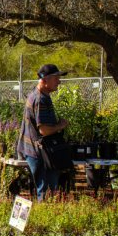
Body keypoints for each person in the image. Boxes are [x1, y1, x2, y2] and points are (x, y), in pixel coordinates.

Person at [17, 64, 70, 201]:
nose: (59, 82)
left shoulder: (39, 94)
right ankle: (44, 219)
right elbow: (44, 131)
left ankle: (45, 216)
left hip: (37, 150)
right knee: (47, 192)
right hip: (39, 152)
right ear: (44, 80)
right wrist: (61, 125)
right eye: (56, 79)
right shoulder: (40, 100)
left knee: (48, 191)